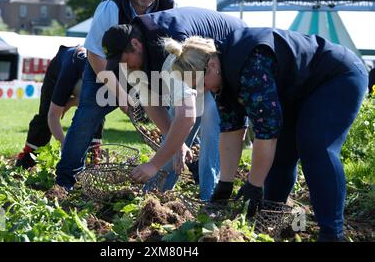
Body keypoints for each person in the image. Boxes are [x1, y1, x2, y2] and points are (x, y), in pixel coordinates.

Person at [131, 28, 368, 242]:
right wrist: (225, 184)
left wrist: (254, 185)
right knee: (281, 155)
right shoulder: (221, 78)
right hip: (298, 89)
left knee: (315, 147)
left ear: (210, 67)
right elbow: (232, 130)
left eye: (199, 84)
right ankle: (273, 219)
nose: (200, 90)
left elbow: (266, 132)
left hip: (336, 76)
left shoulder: (250, 66)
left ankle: (332, 233)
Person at [98, 6, 246, 200]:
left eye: (124, 60)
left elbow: (187, 117)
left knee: (211, 117)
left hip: (229, 49)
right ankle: (154, 196)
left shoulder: (170, 53)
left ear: (136, 44)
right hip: (197, 67)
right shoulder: (131, 60)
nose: (123, 66)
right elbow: (150, 102)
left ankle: (210, 200)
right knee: (174, 138)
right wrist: (177, 144)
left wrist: (153, 164)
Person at [55, 0, 175, 189]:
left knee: (171, 112)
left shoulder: (169, 4)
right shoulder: (110, 7)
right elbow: (94, 54)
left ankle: (180, 166)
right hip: (105, 65)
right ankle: (66, 180)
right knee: (89, 114)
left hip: (144, 65)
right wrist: (120, 95)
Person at [15, 45, 103, 169]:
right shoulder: (67, 76)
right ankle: (27, 159)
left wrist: (70, 103)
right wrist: (65, 145)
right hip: (59, 68)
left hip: (83, 80)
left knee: (96, 110)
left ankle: (92, 156)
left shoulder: (100, 71)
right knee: (45, 116)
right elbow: (52, 116)